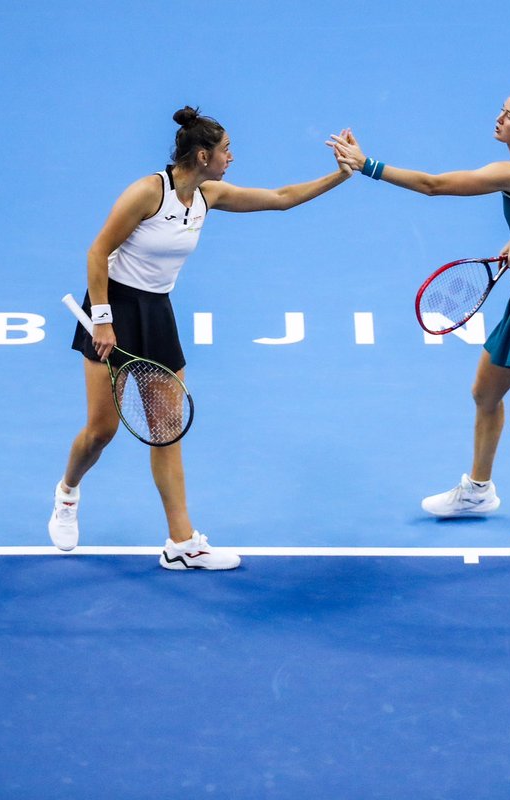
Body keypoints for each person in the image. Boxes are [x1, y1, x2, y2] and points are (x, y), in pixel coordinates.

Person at [50, 106, 352, 569]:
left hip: (157, 312)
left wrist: (341, 175)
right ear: (204, 154)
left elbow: (282, 197)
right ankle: (68, 492)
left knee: (167, 433)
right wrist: (105, 320)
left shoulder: (208, 195)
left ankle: (181, 543)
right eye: (227, 150)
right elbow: (97, 251)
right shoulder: (148, 192)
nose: (232, 157)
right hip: (113, 307)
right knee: (100, 432)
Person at [329, 85, 510, 559]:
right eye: (502, 111)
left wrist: (367, 165)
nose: (499, 119)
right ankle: (478, 489)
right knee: (485, 393)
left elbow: (434, 185)